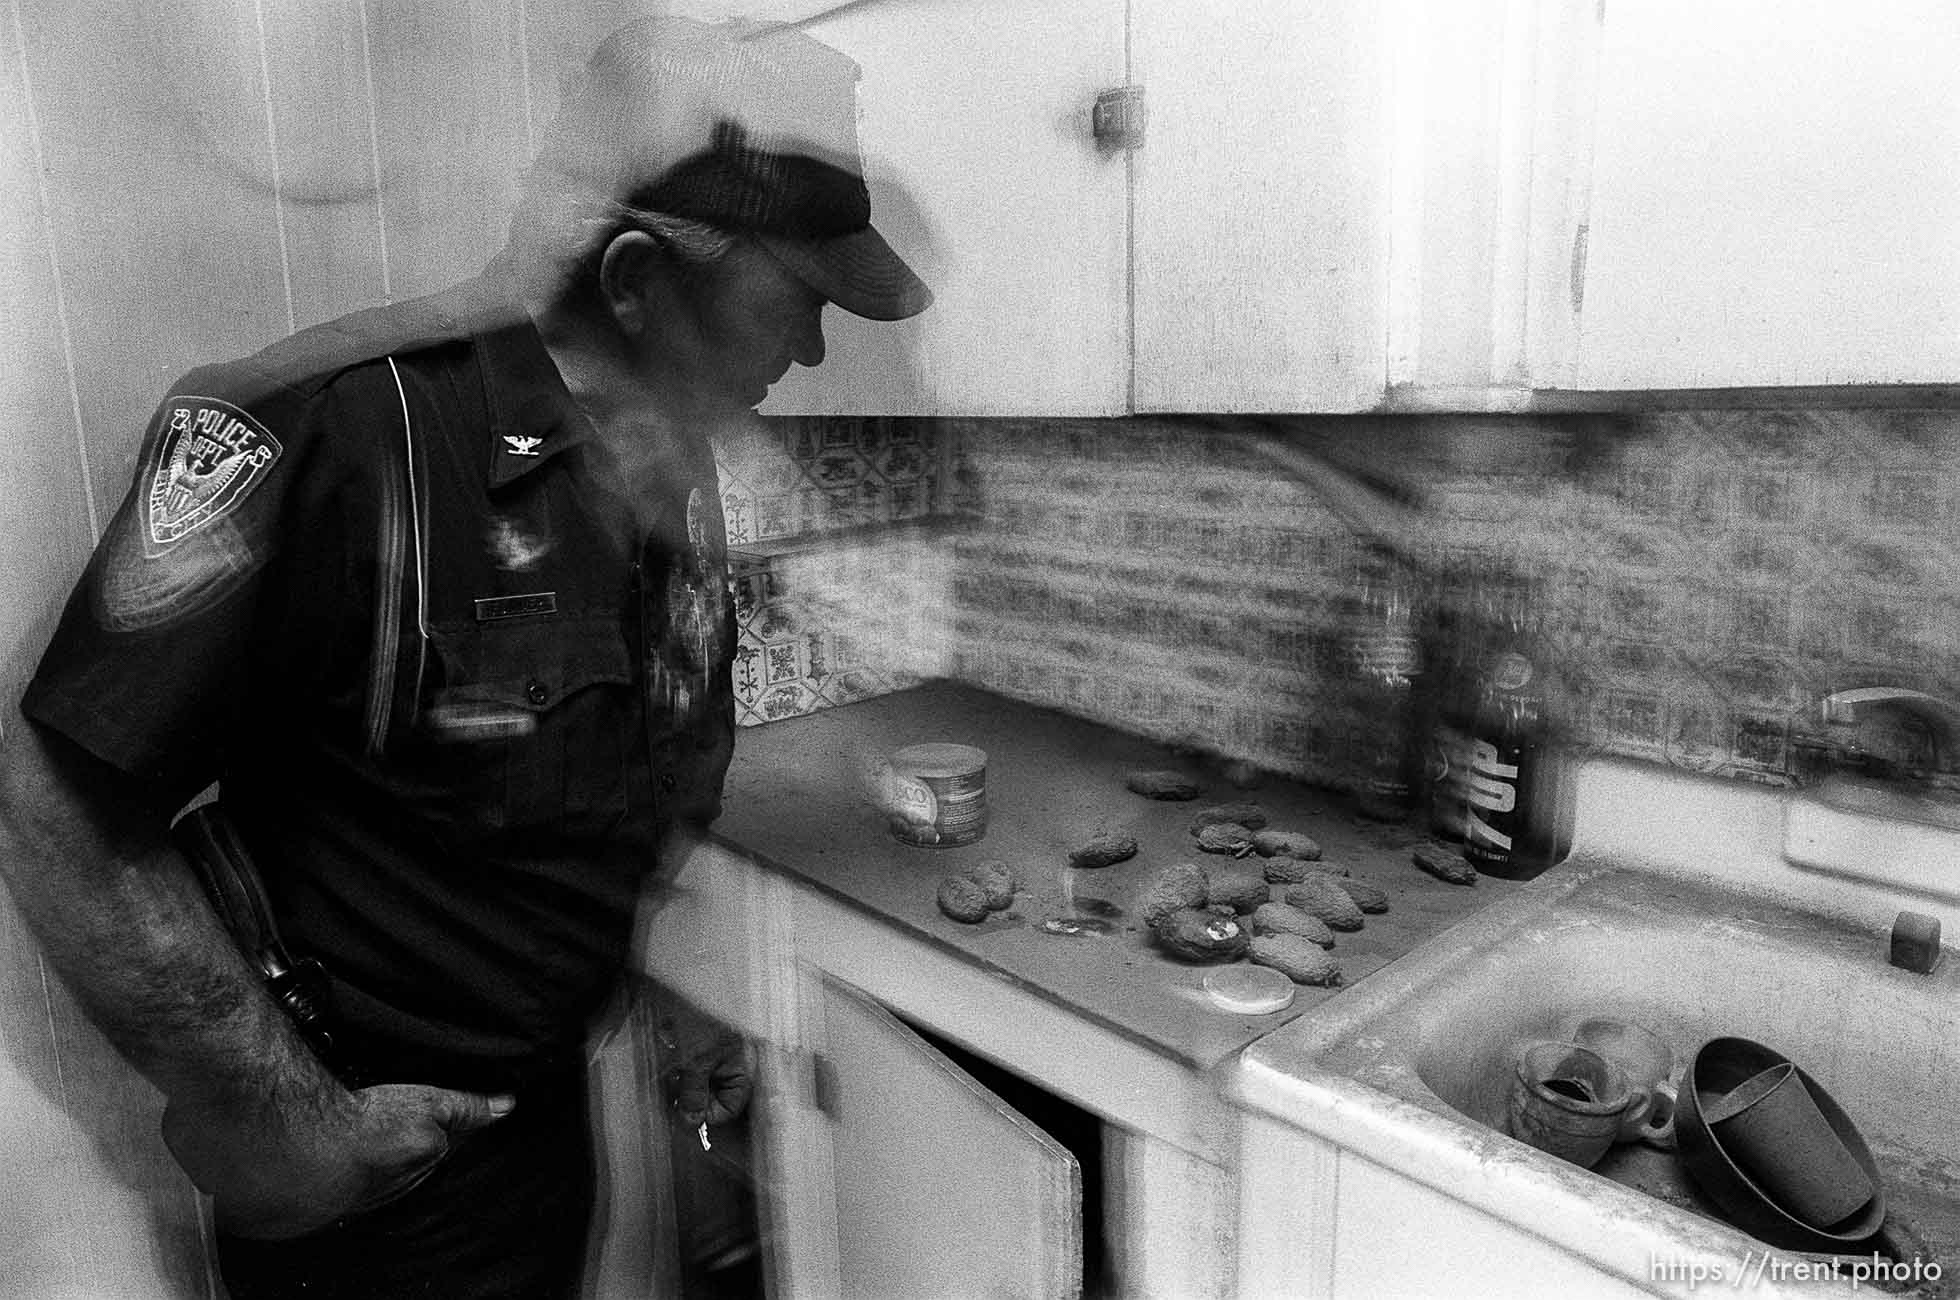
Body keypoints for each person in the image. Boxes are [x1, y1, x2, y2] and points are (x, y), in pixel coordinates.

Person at [0, 15, 929, 1299]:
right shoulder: (326, 434)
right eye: (798, 300)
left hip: (543, 1126)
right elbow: (54, 802)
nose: (815, 348)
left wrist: (664, 998)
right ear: (637, 281)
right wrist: (296, 1130)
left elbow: (596, 790)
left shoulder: (673, 458)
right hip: (376, 1182)